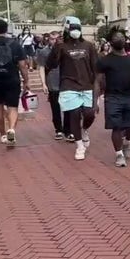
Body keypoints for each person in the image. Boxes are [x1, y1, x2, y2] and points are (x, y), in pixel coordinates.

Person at [47, 22, 99, 160]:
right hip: (68, 84)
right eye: (73, 30)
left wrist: (97, 86)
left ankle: (84, 130)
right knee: (74, 114)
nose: (75, 32)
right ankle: (79, 146)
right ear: (68, 31)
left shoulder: (88, 46)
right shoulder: (62, 46)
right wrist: (56, 47)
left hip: (87, 84)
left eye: (77, 29)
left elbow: (96, 67)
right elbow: (51, 64)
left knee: (90, 114)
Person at [95, 28, 130, 167]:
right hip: (112, 97)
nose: (119, 39)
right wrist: (95, 101)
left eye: (121, 37)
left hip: (129, 96)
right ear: (111, 42)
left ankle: (126, 141)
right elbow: (98, 81)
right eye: (116, 37)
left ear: (125, 40)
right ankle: (119, 155)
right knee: (116, 127)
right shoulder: (105, 60)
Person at [36, 31, 68, 140]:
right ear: (48, 39)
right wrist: (43, 83)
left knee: (68, 107)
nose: (54, 41)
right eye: (52, 39)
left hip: (66, 82)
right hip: (52, 83)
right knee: (55, 107)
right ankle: (58, 129)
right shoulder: (44, 52)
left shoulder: (66, 49)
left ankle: (68, 130)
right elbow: (41, 67)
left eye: (56, 39)